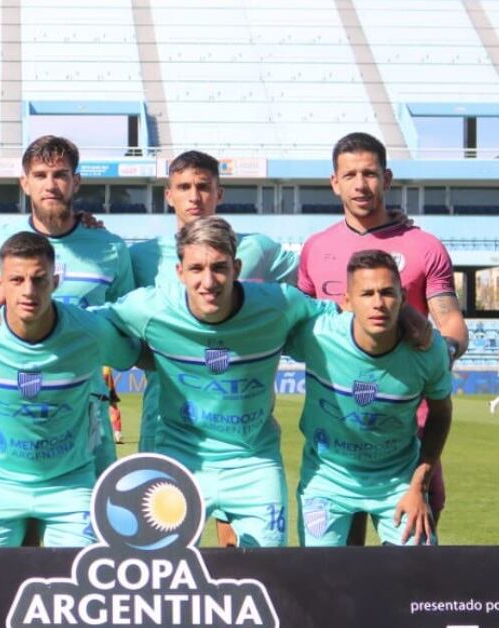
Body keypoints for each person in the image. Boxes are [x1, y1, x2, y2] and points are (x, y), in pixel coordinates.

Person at [98, 217, 350, 547]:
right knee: (162, 576)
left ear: (236, 267)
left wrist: (406, 319)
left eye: (219, 267)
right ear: (180, 272)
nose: (208, 281)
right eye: (196, 268)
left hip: (254, 462)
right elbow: (83, 324)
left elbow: (343, 320)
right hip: (179, 459)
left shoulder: (279, 303)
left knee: (267, 572)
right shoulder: (152, 307)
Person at [0, 232, 140, 547]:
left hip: (70, 486)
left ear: (55, 282)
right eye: (16, 280)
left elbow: (138, 354)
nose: (29, 290)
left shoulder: (90, 331)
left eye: (39, 279)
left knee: (79, 588)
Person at [298, 131, 468, 541]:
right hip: (339, 428)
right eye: (350, 175)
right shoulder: (316, 249)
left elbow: (455, 329)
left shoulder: (423, 246)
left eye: (370, 174)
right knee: (343, 562)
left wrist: (432, 345)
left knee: (413, 560)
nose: (361, 184)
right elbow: (299, 320)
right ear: (334, 183)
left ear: (387, 179)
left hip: (410, 427)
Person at [129, 150, 298, 546]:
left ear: (219, 192)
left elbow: (317, 282)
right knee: (165, 555)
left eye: (203, 186)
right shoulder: (140, 257)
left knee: (237, 555)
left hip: (239, 430)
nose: (195, 197)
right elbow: (118, 322)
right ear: (168, 195)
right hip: (167, 424)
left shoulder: (258, 250)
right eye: (184, 187)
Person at [0, 135, 135, 477]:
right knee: (23, 524)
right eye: (40, 175)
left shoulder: (110, 248)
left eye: (60, 174)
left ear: (76, 181)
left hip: (87, 408)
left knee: (96, 518)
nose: (51, 184)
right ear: (24, 183)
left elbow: (125, 326)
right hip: (15, 412)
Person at [286, 250, 452, 546]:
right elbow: (258, 330)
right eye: (367, 293)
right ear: (347, 301)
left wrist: (419, 485)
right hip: (328, 478)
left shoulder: (428, 350)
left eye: (387, 292)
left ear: (402, 297)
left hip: (397, 480)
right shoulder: (316, 335)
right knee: (319, 578)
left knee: (418, 574)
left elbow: (440, 414)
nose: (378, 303)